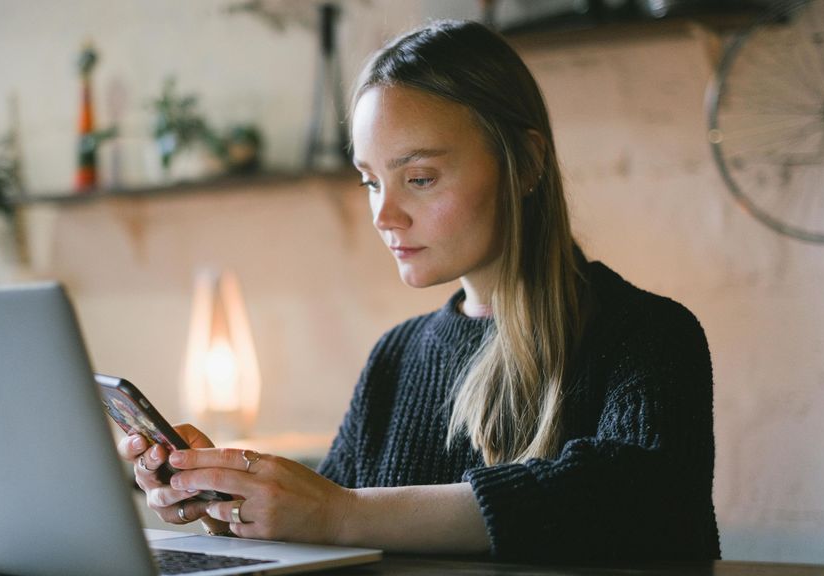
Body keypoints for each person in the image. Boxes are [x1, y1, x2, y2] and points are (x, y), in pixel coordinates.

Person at [118, 19, 720, 562]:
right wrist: (227, 500)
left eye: (420, 178)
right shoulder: (396, 357)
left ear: (528, 162)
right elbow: (325, 536)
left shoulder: (648, 335)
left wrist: (340, 512)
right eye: (371, 181)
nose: (385, 214)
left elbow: (633, 501)